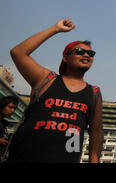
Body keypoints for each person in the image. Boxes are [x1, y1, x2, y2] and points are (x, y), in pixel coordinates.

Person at [6, 19, 103, 163]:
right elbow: (18, 52)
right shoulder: (46, 79)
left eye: (91, 53)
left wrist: (94, 161)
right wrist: (56, 29)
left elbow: (96, 130)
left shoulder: (94, 92)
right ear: (65, 57)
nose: (87, 55)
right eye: (80, 51)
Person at [0, 96, 18, 160]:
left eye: (14, 108)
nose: (13, 110)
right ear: (2, 106)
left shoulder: (4, 123)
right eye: (10, 107)